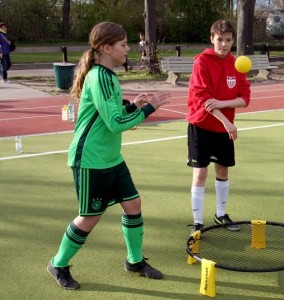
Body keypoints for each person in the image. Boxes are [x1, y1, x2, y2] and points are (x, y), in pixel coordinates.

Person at [47, 21, 171, 290]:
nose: (129, 49)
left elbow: (111, 115)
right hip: (90, 160)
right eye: (124, 45)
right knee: (90, 216)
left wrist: (132, 106)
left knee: (133, 204)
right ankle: (58, 263)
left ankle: (134, 261)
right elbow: (115, 123)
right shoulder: (99, 76)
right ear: (106, 48)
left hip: (111, 158)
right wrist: (149, 108)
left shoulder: (108, 76)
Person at [186, 19, 251, 233]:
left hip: (223, 129)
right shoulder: (201, 62)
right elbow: (204, 98)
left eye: (228, 40)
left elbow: (244, 98)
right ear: (212, 39)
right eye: (220, 40)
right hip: (201, 125)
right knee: (200, 173)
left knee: (223, 170)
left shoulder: (237, 64)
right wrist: (227, 122)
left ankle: (221, 215)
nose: (224, 44)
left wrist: (223, 103)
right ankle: (197, 222)